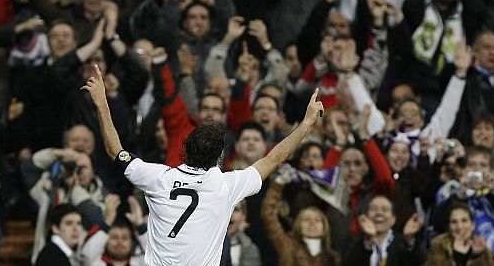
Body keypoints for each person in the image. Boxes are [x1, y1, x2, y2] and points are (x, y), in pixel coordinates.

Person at [81, 64, 324, 266]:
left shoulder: (158, 178)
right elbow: (275, 157)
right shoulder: (225, 185)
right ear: (219, 156)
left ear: (184, 149)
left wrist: (102, 102)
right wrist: (306, 123)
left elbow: (115, 150)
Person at [427, 204, 494, 265]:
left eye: (464, 220)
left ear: (473, 225)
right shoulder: (438, 245)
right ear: (448, 226)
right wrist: (457, 256)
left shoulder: (483, 249)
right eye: (454, 222)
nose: (459, 227)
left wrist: (477, 257)